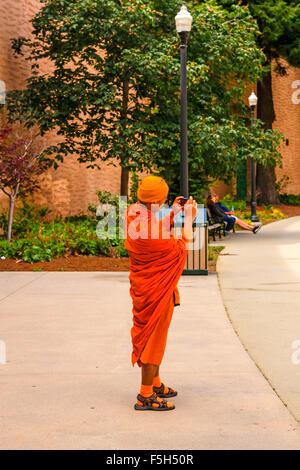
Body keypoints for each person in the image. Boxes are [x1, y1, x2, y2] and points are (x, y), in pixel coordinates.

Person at [124, 175, 197, 411]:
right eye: (164, 199)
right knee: (153, 340)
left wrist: (174, 213)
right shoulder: (154, 234)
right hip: (157, 291)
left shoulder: (133, 213)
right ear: (158, 199)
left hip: (145, 286)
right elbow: (180, 249)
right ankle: (145, 395)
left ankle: (155, 384)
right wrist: (189, 220)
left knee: (154, 337)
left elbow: (155, 227)